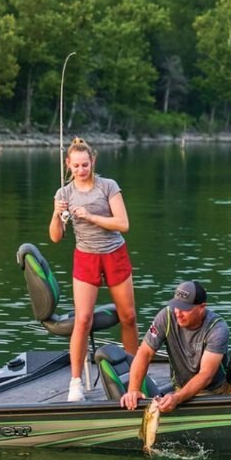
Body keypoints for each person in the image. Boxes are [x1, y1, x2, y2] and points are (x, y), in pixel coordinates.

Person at [49, 137, 139, 402]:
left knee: (128, 316)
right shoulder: (63, 194)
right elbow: (55, 237)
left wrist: (90, 216)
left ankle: (136, 375)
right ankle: (75, 383)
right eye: (76, 165)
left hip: (114, 254)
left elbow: (123, 224)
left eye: (85, 165)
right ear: (68, 164)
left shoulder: (108, 186)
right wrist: (56, 214)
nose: (81, 170)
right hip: (86, 257)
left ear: (93, 162)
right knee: (83, 319)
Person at [119, 280, 231, 412]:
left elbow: (206, 375)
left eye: (185, 308)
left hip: (219, 388)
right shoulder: (166, 316)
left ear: (201, 307)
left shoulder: (217, 329)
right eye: (176, 306)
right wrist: (133, 390)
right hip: (181, 388)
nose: (178, 313)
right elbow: (145, 353)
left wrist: (176, 398)